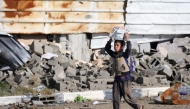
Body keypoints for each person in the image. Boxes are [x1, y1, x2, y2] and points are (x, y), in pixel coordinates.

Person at [105, 32, 144, 109]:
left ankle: (139, 107)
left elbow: (129, 48)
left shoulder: (125, 54)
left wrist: (128, 39)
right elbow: (107, 49)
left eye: (117, 45)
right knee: (116, 98)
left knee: (127, 97)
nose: (115, 47)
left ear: (122, 47)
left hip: (125, 79)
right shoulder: (114, 55)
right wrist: (110, 40)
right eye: (114, 45)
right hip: (117, 79)